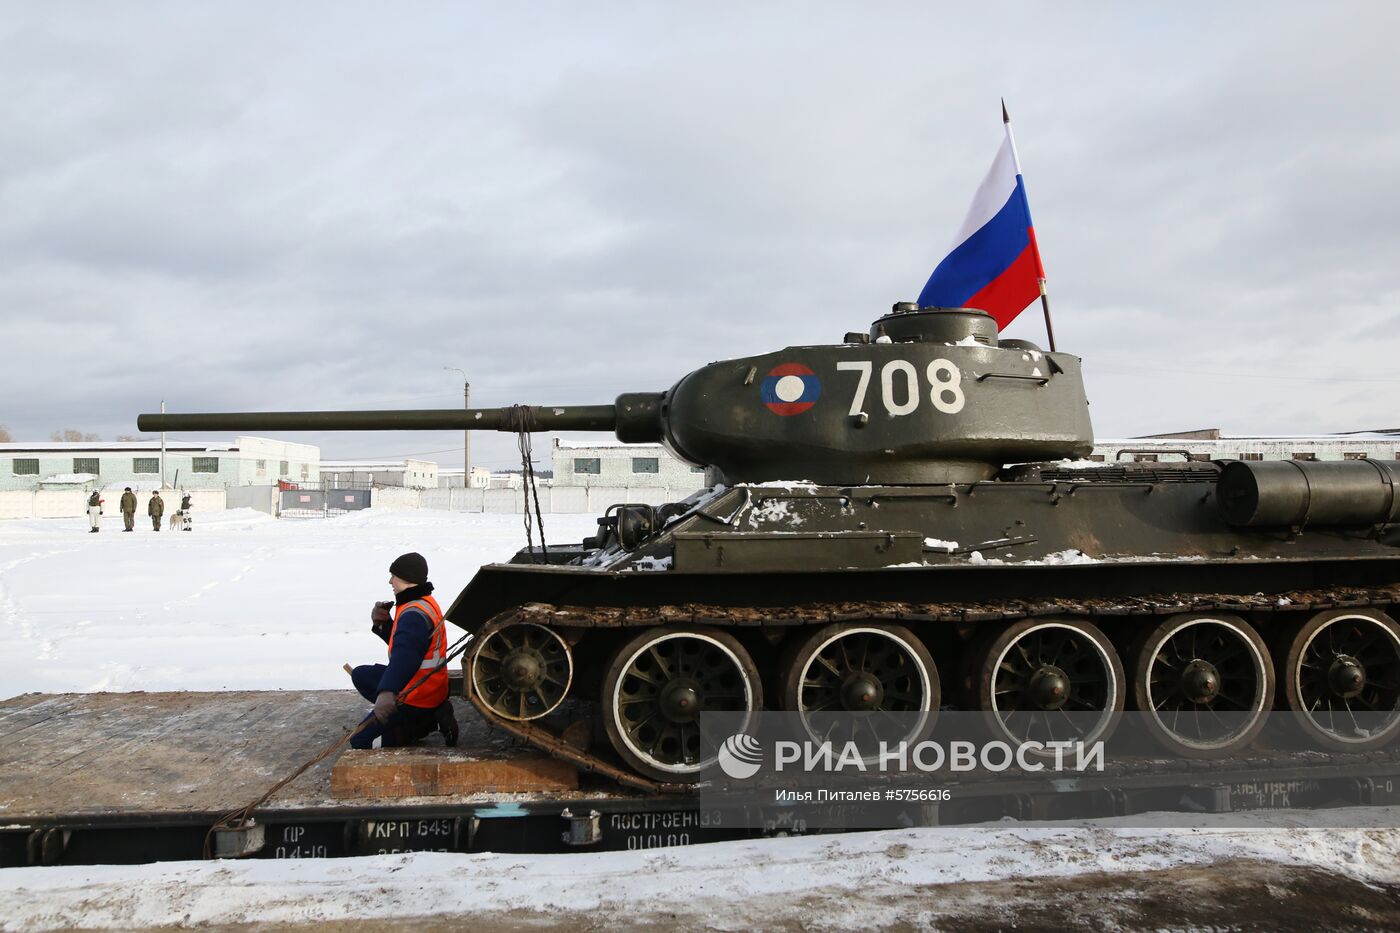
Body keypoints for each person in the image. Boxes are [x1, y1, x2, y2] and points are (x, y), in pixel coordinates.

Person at [350, 552, 458, 749]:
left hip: (417, 695)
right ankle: (435, 712)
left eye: (394, 576)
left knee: (360, 741)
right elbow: (409, 645)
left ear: (408, 579)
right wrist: (383, 624)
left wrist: (387, 692)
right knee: (360, 674)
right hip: (432, 687)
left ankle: (414, 727)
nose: (390, 581)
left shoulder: (412, 615)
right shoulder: (422, 602)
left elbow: (405, 658)